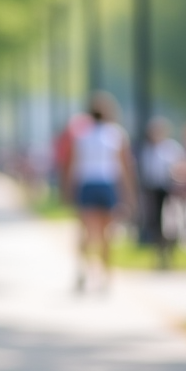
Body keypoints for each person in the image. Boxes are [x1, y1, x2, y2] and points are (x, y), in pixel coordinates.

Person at [61, 91, 136, 292]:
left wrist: (68, 188)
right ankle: (105, 275)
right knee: (106, 234)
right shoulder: (116, 134)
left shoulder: (82, 134)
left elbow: (72, 163)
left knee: (86, 231)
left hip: (87, 184)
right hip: (107, 184)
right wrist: (129, 193)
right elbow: (124, 165)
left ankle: (83, 271)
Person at [140, 116, 186, 268]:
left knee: (172, 220)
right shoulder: (148, 149)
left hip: (169, 188)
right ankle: (159, 252)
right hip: (153, 189)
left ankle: (170, 251)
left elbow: (181, 166)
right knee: (155, 221)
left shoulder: (171, 148)